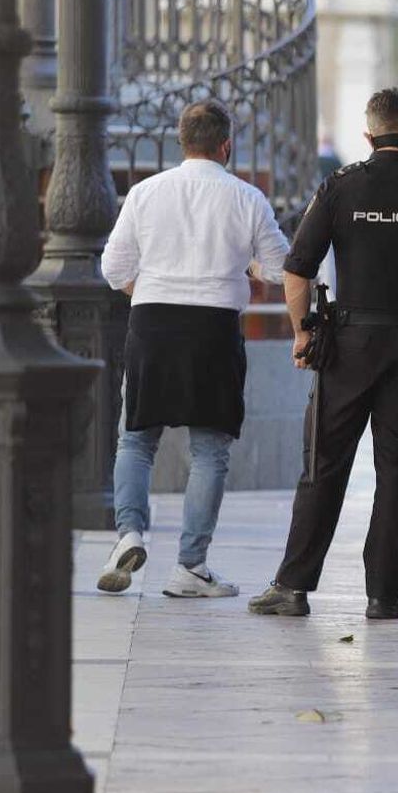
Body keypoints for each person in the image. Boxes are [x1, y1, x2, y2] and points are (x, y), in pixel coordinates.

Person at [248, 88, 398, 620]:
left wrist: (303, 334)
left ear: (369, 135)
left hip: (347, 347)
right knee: (396, 469)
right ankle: (384, 595)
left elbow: (296, 270)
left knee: (323, 464)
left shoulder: (340, 187)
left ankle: (292, 587)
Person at [97, 99, 292, 598]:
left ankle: (129, 533)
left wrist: (150, 291)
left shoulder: (145, 192)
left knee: (136, 438)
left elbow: (113, 269)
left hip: (152, 320)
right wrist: (249, 268)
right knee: (209, 451)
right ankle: (190, 567)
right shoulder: (247, 198)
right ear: (225, 145)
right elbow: (280, 266)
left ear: (183, 142)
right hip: (213, 329)